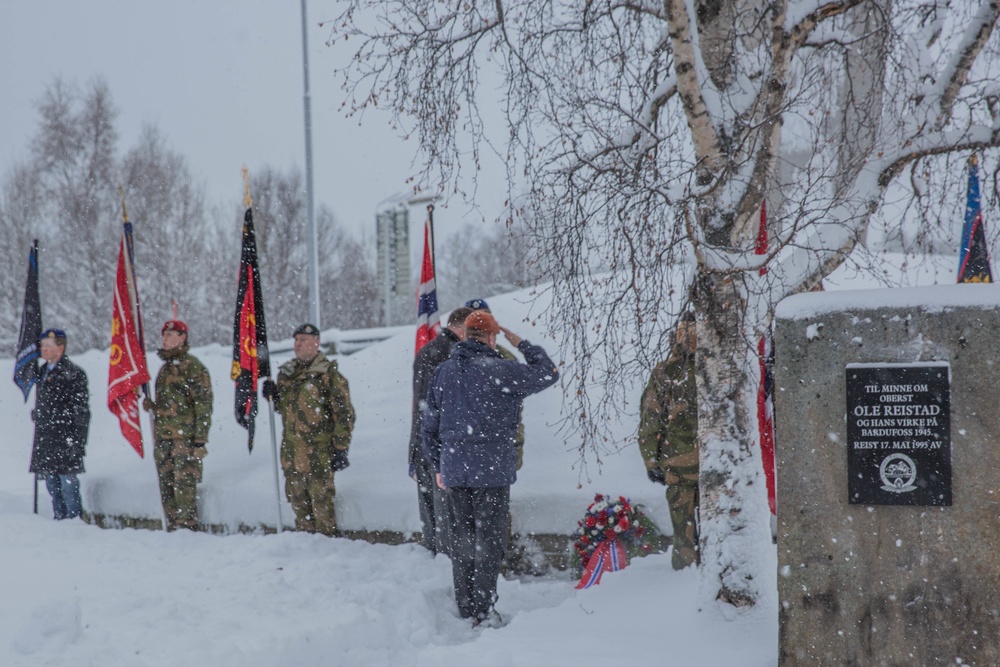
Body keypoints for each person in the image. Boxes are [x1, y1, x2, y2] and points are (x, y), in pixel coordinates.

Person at [422, 310, 559, 627]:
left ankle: (466, 606)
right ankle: (483, 610)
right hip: (491, 472)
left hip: (455, 470)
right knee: (489, 541)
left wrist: (439, 465)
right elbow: (548, 373)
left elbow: (427, 427)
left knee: (462, 539)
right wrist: (522, 343)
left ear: (465, 336)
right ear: (492, 338)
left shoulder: (443, 373)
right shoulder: (503, 370)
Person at [263, 324, 355, 536]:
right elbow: (286, 409)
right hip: (292, 453)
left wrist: (341, 447)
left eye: (304, 339)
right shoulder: (287, 374)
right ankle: (305, 552)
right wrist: (274, 396)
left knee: (321, 505)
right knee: (298, 506)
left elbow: (344, 414)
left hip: (318, 454)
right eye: (296, 340)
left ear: (316, 342)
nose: (298, 344)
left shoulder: (329, 375)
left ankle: (326, 548)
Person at [409, 306, 474, 555]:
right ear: (460, 328)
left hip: (425, 444)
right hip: (440, 448)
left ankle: (435, 560)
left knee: (432, 518)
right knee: (446, 518)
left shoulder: (429, 352)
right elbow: (436, 408)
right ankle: (445, 565)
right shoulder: (450, 355)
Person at [638, 313, 700, 570]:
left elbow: (651, 419)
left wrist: (651, 460)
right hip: (720, 459)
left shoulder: (666, 370)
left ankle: (686, 574)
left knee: (683, 529)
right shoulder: (725, 365)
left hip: (678, 461)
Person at [142, 320, 213, 531]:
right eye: (164, 335)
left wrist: (200, 440)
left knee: (184, 486)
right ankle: (173, 527)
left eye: (170, 334)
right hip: (164, 438)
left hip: (185, 439)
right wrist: (152, 406)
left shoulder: (193, 367)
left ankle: (187, 527)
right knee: (166, 485)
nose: (165, 338)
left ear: (182, 337)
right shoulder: (164, 369)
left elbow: (203, 406)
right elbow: (170, 405)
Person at [29, 328, 90, 520]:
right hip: (47, 439)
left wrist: (78, 441)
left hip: (66, 439)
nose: (44, 350)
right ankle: (59, 520)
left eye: (48, 346)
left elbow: (81, 412)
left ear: (61, 347)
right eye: (43, 346)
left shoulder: (73, 373)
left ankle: (74, 522)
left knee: (68, 486)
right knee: (52, 486)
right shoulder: (41, 372)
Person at [464, 298, 526, 468]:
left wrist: (515, 445)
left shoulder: (506, 359)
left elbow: (515, 407)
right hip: (461, 447)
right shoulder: (452, 358)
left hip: (497, 447)